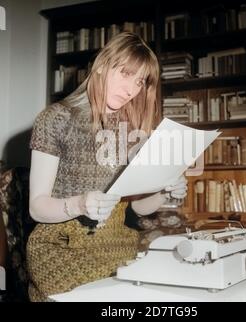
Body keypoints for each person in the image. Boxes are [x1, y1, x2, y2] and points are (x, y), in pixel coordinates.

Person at [26, 32, 187, 302]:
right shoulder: (55, 119)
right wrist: (79, 204)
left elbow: (133, 208)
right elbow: (36, 206)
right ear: (101, 66)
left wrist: (164, 193)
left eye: (139, 82)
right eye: (125, 74)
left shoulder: (132, 131)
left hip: (118, 249)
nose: (131, 89)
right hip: (62, 251)